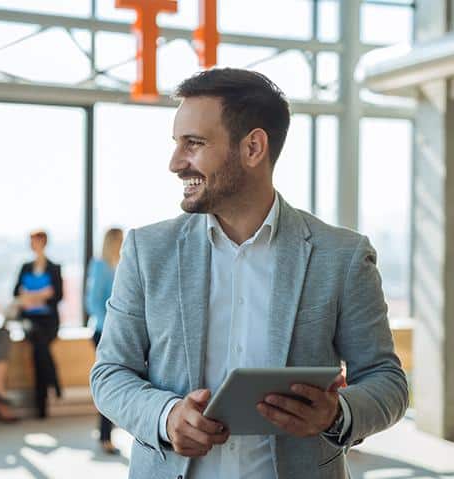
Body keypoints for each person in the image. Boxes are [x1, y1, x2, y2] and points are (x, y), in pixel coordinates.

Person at [91, 68, 408, 479]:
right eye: (177, 143)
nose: (175, 163)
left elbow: (387, 382)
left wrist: (337, 413)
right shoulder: (147, 251)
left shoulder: (342, 256)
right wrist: (166, 416)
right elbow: (110, 373)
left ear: (253, 147)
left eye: (194, 143)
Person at [14, 229, 63, 418]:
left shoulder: (54, 267)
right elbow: (16, 293)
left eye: (36, 241)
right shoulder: (25, 267)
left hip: (49, 321)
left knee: (39, 349)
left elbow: (57, 295)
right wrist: (42, 295)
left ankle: (41, 403)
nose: (33, 244)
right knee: (39, 344)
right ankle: (53, 383)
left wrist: (31, 296)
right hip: (29, 320)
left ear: (44, 242)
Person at [85, 227, 124, 455]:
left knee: (121, 381)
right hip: (103, 332)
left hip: (120, 332)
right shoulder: (100, 266)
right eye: (119, 239)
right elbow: (92, 302)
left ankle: (109, 433)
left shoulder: (122, 263)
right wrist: (109, 324)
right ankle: (105, 436)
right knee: (110, 381)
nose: (122, 242)